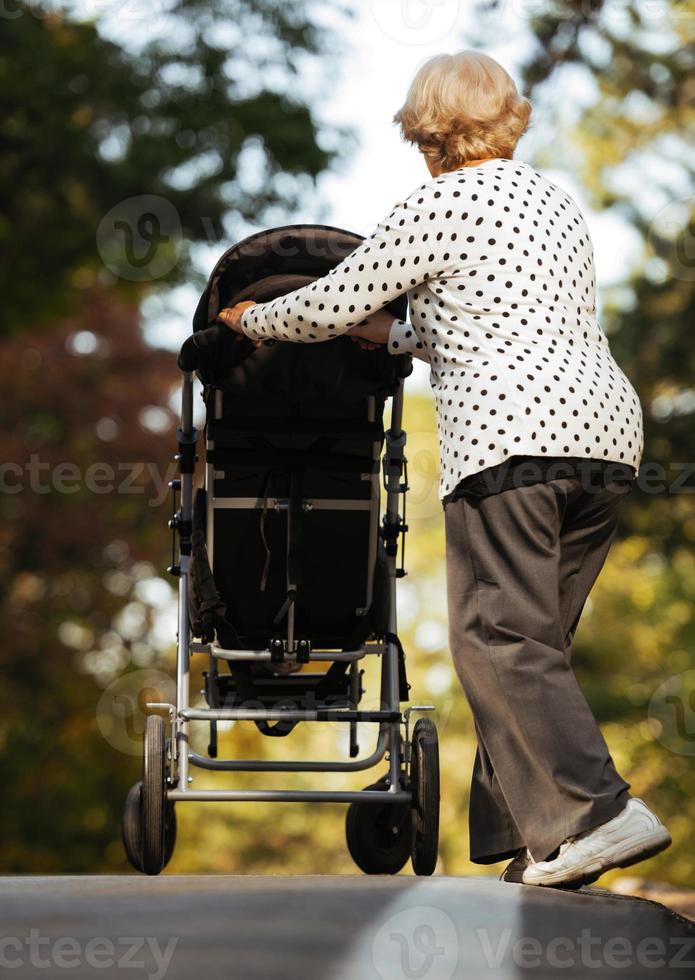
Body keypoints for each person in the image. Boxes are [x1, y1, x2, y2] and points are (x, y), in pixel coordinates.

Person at [216, 50, 671, 888]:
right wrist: (387, 336)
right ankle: (543, 837)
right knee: (537, 643)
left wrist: (253, 318)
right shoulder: (553, 202)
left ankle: (599, 814)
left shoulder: (438, 201)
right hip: (604, 437)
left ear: (426, 130)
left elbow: (329, 301)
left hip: (512, 440)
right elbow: (462, 323)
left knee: (494, 636)